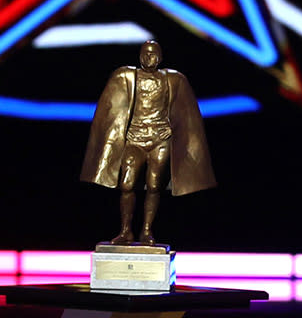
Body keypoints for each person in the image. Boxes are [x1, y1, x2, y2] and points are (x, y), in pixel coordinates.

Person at [80, 40, 216, 246]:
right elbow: (109, 109)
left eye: (152, 54)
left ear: (160, 58)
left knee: (154, 186)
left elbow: (186, 114)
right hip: (134, 139)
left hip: (160, 140)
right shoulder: (127, 76)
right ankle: (126, 231)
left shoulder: (173, 79)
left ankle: (146, 230)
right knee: (127, 184)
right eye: (145, 53)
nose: (148, 58)